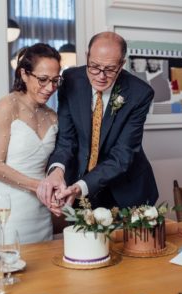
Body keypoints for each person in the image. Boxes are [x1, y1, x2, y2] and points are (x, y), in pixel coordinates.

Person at [36, 32, 159, 215]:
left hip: (127, 191)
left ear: (122, 64)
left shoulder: (139, 93)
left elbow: (122, 154)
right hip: (80, 190)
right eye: (94, 66)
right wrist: (57, 170)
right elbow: (66, 139)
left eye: (110, 69)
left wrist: (81, 187)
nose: (100, 76)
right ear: (87, 57)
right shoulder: (71, 80)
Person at [0, 43, 63, 243]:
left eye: (55, 81)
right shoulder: (7, 106)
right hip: (7, 207)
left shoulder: (53, 116)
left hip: (40, 209)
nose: (50, 88)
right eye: (43, 80)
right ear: (25, 74)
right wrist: (38, 186)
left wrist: (54, 191)